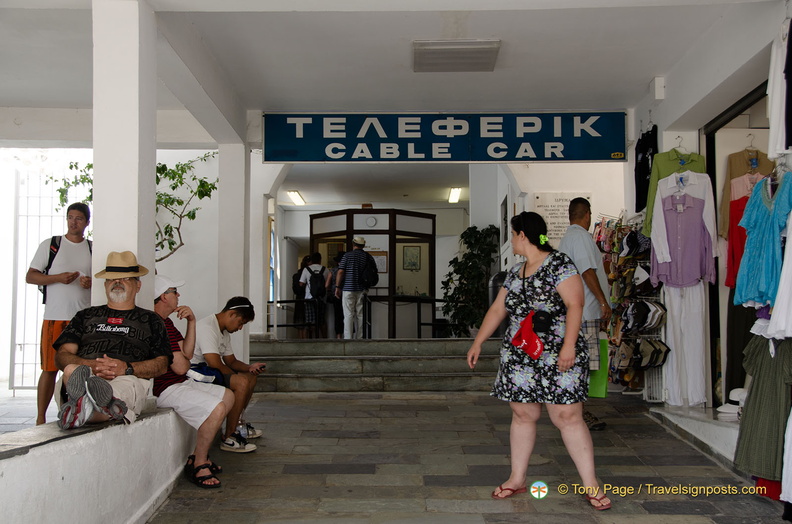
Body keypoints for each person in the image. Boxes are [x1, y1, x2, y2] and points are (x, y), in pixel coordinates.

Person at [467, 211, 611, 511]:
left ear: (523, 234)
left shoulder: (559, 264)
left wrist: (569, 347)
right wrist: (478, 342)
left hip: (559, 352)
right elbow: (497, 310)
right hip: (521, 355)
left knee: (568, 417)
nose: (511, 240)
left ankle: (591, 485)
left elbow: (576, 304)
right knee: (522, 415)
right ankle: (517, 478)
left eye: (512, 233)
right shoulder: (515, 272)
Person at [53, 251, 172, 429]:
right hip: (85, 375)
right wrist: (90, 365)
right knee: (71, 369)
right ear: (105, 285)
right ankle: (88, 402)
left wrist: (127, 368)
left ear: (138, 285)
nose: (117, 282)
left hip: (126, 379)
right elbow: (62, 356)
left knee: (120, 389)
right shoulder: (85, 315)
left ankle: (82, 405)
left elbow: (162, 364)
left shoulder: (151, 320)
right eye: (112, 278)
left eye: (125, 278)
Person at [153, 275, 239, 488]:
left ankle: (196, 456)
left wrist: (192, 322)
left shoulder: (167, 322)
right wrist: (181, 360)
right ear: (163, 296)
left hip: (180, 381)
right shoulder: (155, 324)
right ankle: (199, 463)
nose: (178, 295)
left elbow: (187, 355)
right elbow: (181, 366)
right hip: (165, 388)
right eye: (174, 291)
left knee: (228, 396)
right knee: (217, 408)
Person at [26, 202, 93, 425]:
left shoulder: (93, 248)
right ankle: (40, 418)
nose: (73, 222)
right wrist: (57, 278)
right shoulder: (52, 245)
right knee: (49, 368)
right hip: (54, 317)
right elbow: (31, 276)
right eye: (70, 217)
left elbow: (100, 282)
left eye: (79, 218)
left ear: (87, 222)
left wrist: (89, 283)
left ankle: (75, 413)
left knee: (81, 368)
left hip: (82, 319)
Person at [558, 197, 612, 431]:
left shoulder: (568, 238)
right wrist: (602, 302)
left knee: (579, 363)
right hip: (586, 310)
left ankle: (574, 409)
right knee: (582, 365)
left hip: (578, 311)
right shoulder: (580, 237)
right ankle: (578, 412)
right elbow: (587, 272)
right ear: (587, 214)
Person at [192, 296, 264, 452]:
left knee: (250, 377)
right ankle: (229, 437)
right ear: (232, 314)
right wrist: (237, 377)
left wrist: (249, 367)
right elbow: (215, 363)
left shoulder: (223, 332)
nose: (240, 328)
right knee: (241, 382)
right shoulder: (207, 327)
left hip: (208, 369)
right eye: (241, 323)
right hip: (195, 370)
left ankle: (237, 424)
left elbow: (231, 361)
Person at [334, 236, 369, 339]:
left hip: (348, 289)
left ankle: (348, 339)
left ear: (353, 244)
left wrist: (337, 287)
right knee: (360, 315)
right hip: (362, 289)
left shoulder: (347, 255)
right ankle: (360, 337)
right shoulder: (367, 256)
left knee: (348, 314)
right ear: (363, 245)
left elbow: (340, 271)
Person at [299, 252, 329, 338]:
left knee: (309, 321)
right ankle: (324, 340)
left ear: (311, 260)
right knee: (322, 320)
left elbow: (301, 283)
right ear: (320, 260)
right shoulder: (325, 269)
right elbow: (327, 284)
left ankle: (310, 340)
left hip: (309, 298)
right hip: (322, 298)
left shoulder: (306, 269)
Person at [326, 251, 345, 339]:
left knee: (338, 316)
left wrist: (331, 289)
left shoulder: (332, 270)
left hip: (336, 295)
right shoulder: (348, 270)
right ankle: (348, 335)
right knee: (348, 315)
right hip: (346, 294)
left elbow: (326, 285)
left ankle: (338, 336)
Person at [293, 255, 311, 338]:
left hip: (299, 300)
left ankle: (300, 340)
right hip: (307, 299)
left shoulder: (296, 275)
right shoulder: (309, 273)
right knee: (307, 322)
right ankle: (306, 340)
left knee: (300, 323)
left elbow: (295, 290)